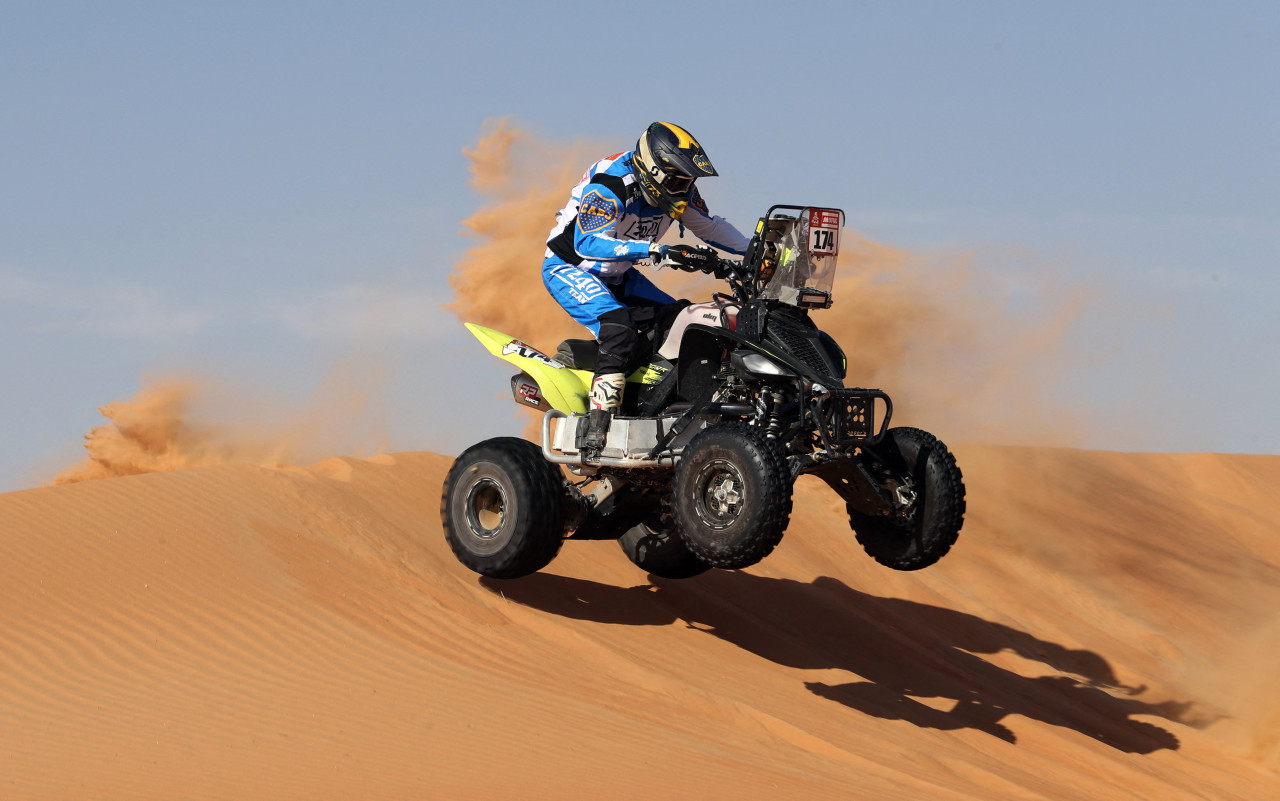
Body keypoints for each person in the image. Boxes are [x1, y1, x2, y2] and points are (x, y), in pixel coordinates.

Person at [541, 121, 750, 456]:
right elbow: (586, 242)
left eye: (689, 181)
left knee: (682, 320)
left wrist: (755, 252)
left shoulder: (678, 191)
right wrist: (652, 250)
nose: (685, 189)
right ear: (654, 170)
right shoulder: (611, 185)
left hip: (620, 274)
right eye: (679, 181)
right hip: (571, 266)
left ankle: (651, 405)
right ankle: (598, 425)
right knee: (619, 329)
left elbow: (709, 227)